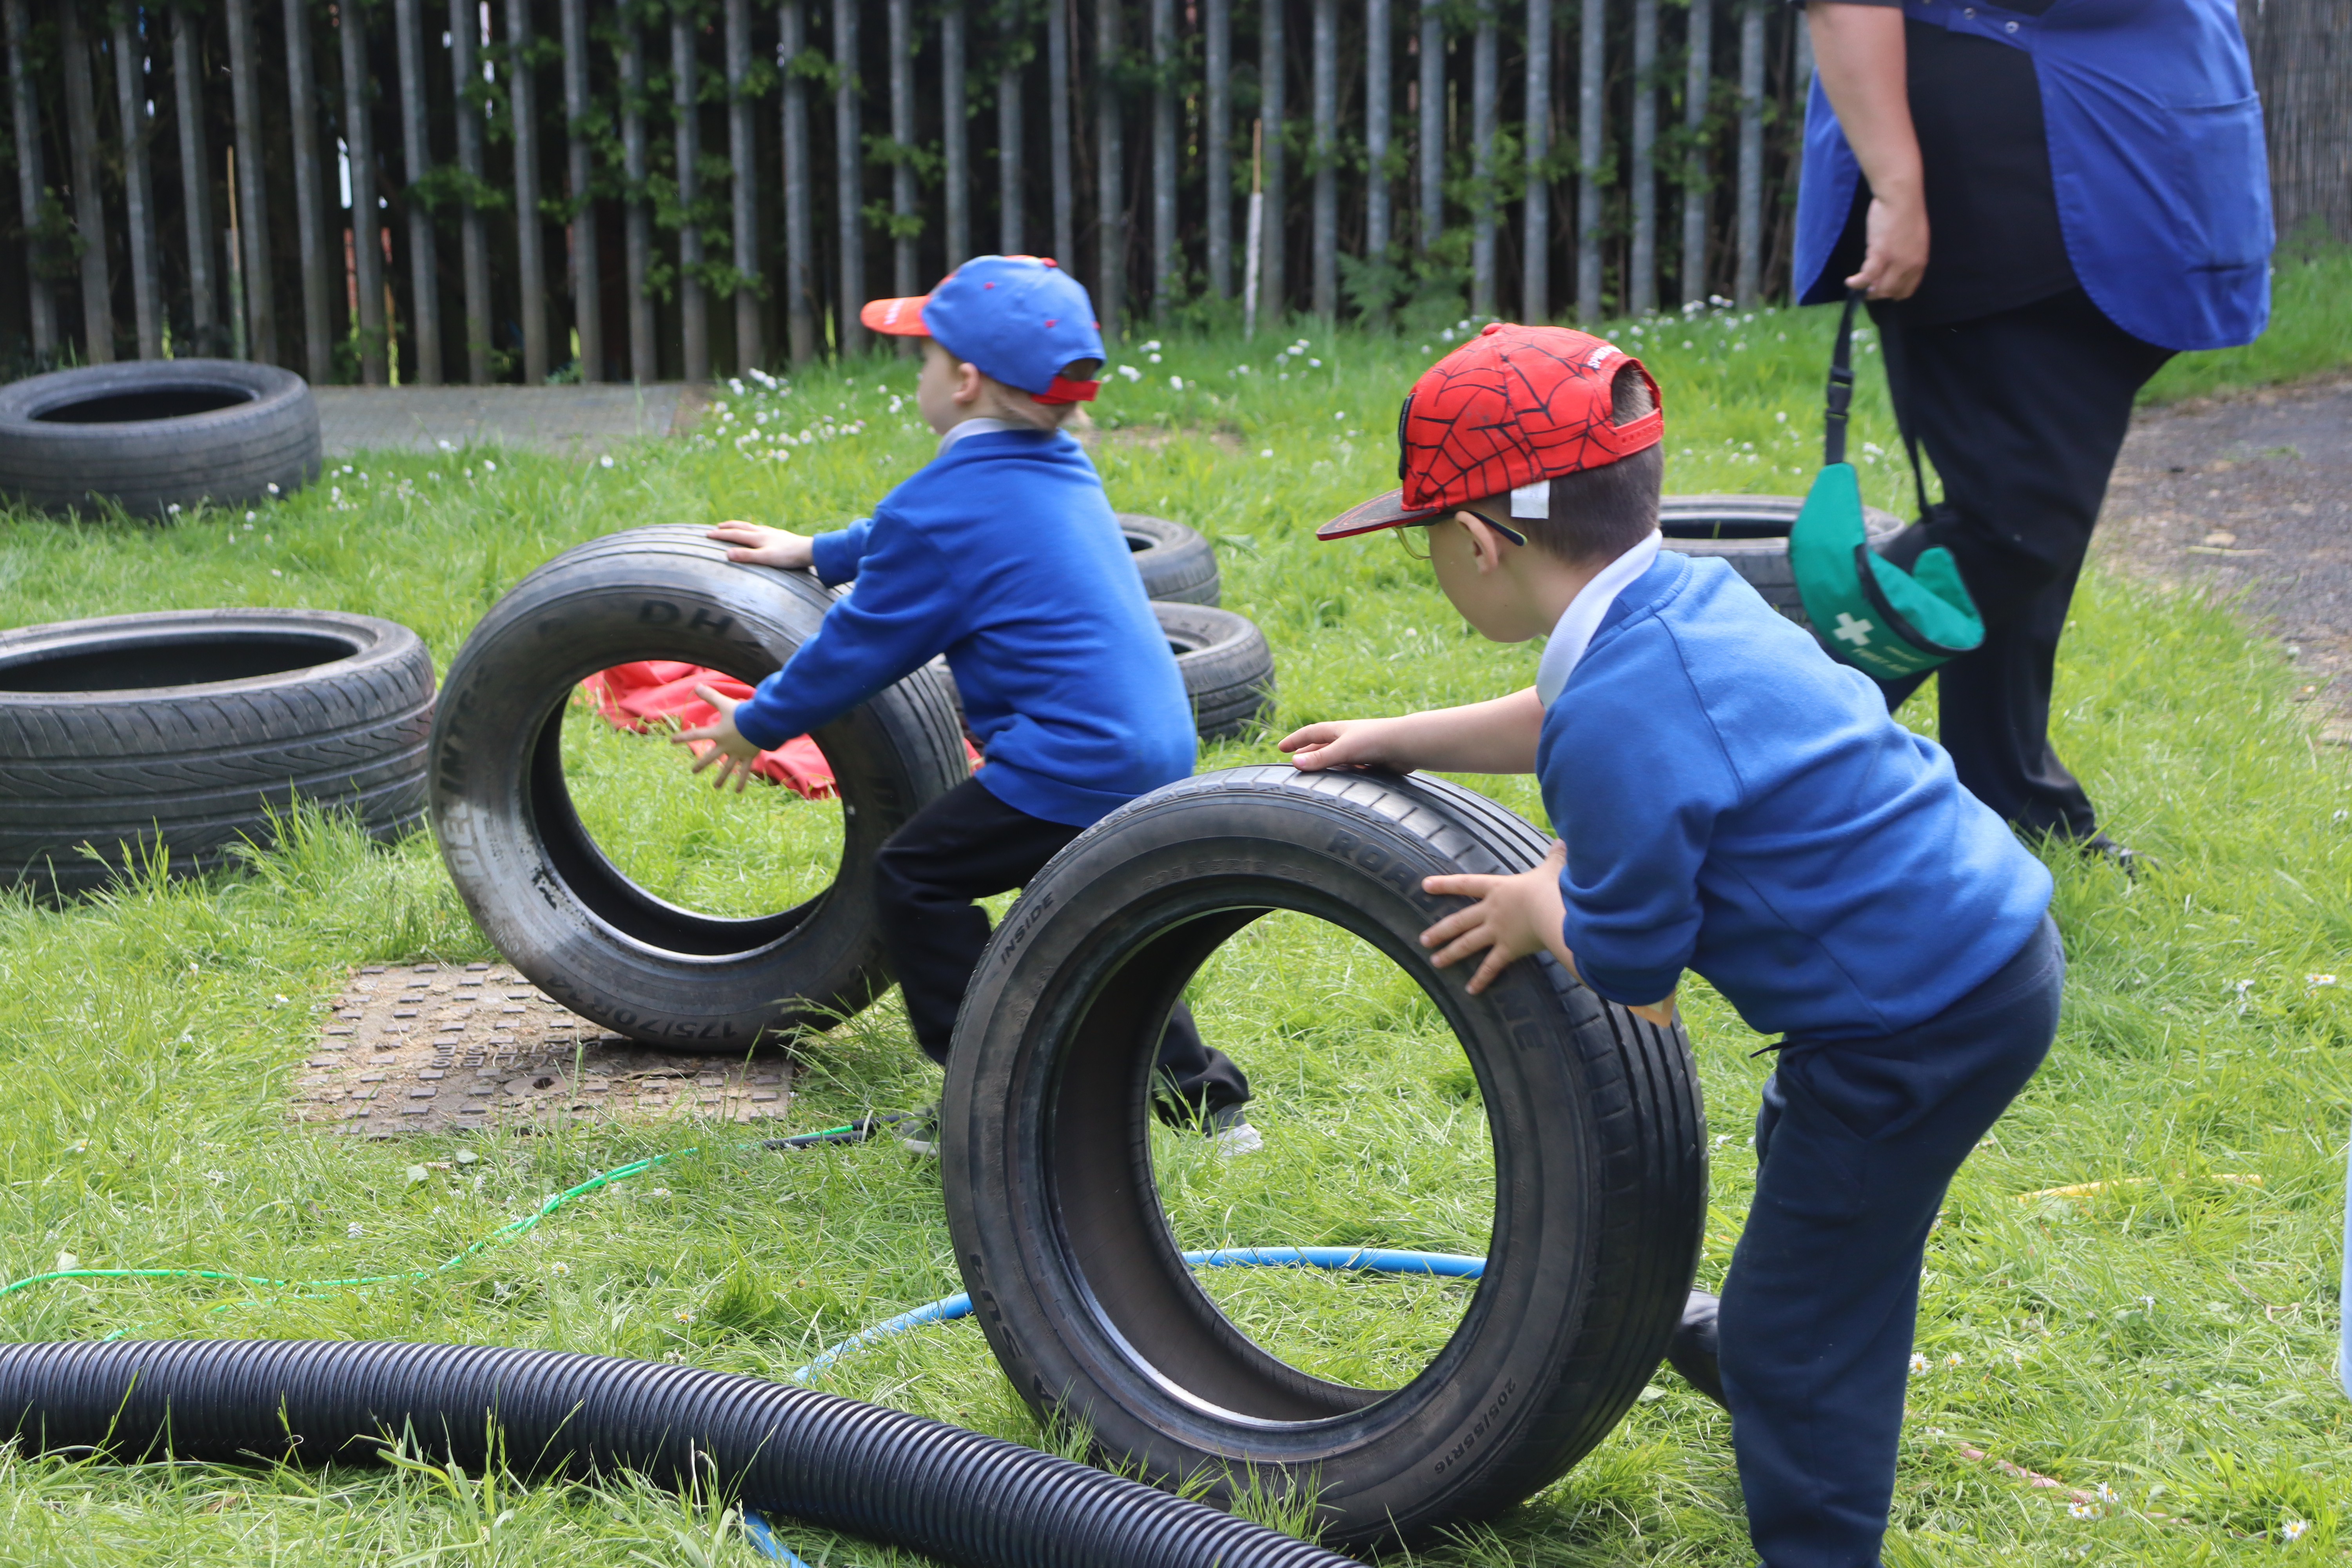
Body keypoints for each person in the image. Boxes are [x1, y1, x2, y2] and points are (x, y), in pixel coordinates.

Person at [1281, 323, 2061, 1568]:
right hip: (1978, 950)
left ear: (1482, 544)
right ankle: (1773, 1322)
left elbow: (1635, 963)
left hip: (1911, 1025)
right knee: (1824, 1201)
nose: (1433, 558)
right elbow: (1570, 710)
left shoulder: (1626, 717)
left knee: (1805, 1324)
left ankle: (1798, 1451)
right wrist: (1405, 733)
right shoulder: (1680, 597)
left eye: (1426, 537)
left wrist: (1544, 903)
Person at [673, 254, 1256, 1156]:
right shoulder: (1058, 463)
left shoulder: (951, 500)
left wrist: (759, 721)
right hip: (1147, 740)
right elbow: (913, 534)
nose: (921, 373)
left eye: (926, 357)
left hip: (1066, 760)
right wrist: (819, 548)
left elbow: (863, 644)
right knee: (1093, 913)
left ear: (967, 380)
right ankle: (1206, 1106)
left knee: (916, 877)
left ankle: (986, 1081)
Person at [1794, 0, 2272, 866]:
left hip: (2146, 171)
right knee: (2014, 522)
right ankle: (1714, 736)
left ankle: (2011, 799)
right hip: (1993, 178)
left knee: (2030, 519)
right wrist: (1897, 183)